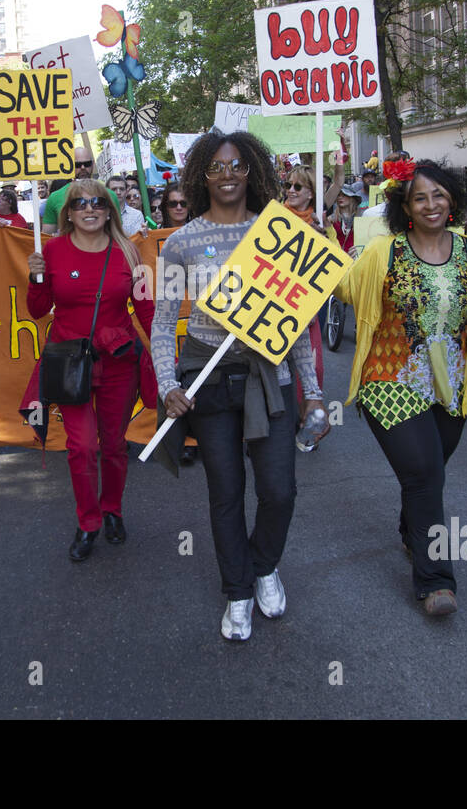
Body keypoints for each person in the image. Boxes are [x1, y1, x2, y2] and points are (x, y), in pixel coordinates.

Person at [152, 130, 325, 642]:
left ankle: (264, 564)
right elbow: (164, 322)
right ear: (201, 175)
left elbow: (294, 323)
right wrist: (167, 384)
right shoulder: (181, 241)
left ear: (252, 170)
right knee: (225, 493)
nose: (227, 176)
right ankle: (239, 592)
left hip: (266, 377)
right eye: (216, 168)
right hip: (207, 381)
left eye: (236, 166)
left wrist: (311, 391)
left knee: (280, 491)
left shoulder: (279, 234)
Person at [334, 161, 467, 616]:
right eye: (419, 198)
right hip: (388, 378)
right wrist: (319, 242)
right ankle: (435, 581)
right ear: (404, 206)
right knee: (425, 474)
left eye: (438, 196)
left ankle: (413, 533)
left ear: (452, 200)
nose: (431, 205)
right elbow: (344, 289)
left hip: (450, 383)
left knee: (429, 472)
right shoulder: (382, 253)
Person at [26, 179, 155, 561]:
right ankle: (88, 522)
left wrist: (166, 357)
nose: (89, 209)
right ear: (68, 212)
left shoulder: (128, 252)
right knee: (81, 447)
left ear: (109, 209)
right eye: (80, 203)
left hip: (118, 361)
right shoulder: (51, 251)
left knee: (114, 445)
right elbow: (36, 309)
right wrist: (34, 277)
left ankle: (112, 509)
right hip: (70, 362)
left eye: (98, 202)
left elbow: (145, 310)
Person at [40, 147, 121, 236]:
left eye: (87, 164)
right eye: (77, 165)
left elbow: (118, 233)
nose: (83, 168)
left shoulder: (110, 195)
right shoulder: (55, 197)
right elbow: (46, 237)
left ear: (93, 164)